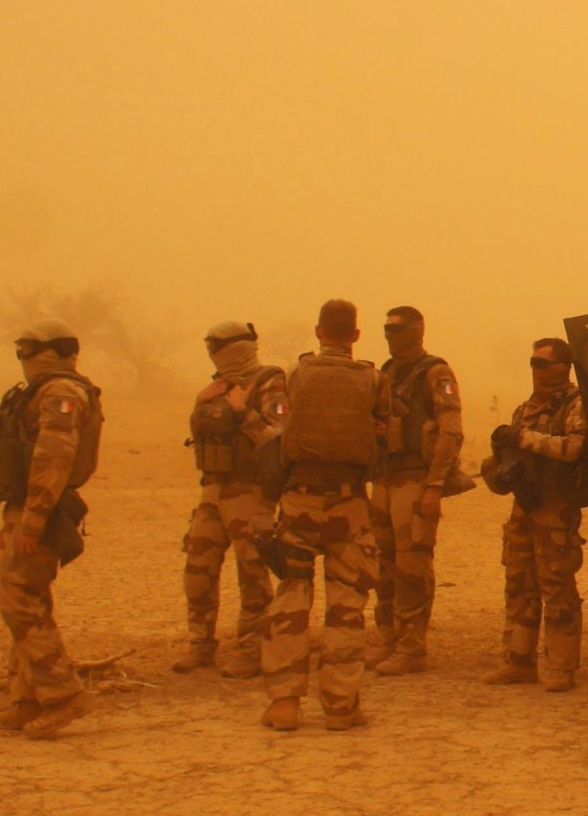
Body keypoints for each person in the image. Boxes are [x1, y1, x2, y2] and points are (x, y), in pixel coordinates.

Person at [0, 320, 104, 738]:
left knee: (19, 600)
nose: (21, 358)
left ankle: (62, 695)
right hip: (28, 505)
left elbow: (53, 459)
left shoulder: (60, 393)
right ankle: (28, 696)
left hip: (46, 506)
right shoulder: (44, 390)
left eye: (25, 349)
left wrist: (33, 519)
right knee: (25, 598)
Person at [252, 300, 381, 731]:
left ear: (319, 332)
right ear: (356, 336)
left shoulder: (298, 373)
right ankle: (341, 707)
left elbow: (283, 427)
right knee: (346, 607)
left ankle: (285, 703)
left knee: (291, 600)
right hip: (349, 504)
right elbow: (385, 433)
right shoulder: (371, 379)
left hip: (300, 501)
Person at [174, 319, 285, 677]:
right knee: (198, 564)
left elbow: (278, 438)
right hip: (214, 487)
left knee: (251, 568)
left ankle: (254, 647)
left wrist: (243, 411)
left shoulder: (270, 383)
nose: (213, 355)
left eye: (217, 348)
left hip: (250, 489)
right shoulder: (217, 387)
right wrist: (199, 405)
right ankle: (201, 644)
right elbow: (204, 434)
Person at [483, 338, 588, 692]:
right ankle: (518, 661)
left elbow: (574, 448)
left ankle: (561, 667)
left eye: (541, 363)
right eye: (532, 362)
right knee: (519, 584)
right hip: (525, 505)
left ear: (563, 366)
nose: (535, 370)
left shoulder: (577, 405)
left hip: (555, 508)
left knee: (556, 586)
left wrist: (525, 438)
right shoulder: (526, 408)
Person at [367, 305, 465, 675]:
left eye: (397, 328)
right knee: (384, 564)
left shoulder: (435, 372)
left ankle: (412, 648)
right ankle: (389, 639)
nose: (390, 335)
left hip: (415, 479)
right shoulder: (387, 373)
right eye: (386, 328)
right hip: (386, 478)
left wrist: (435, 485)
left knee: (412, 564)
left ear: (417, 330)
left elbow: (450, 430)